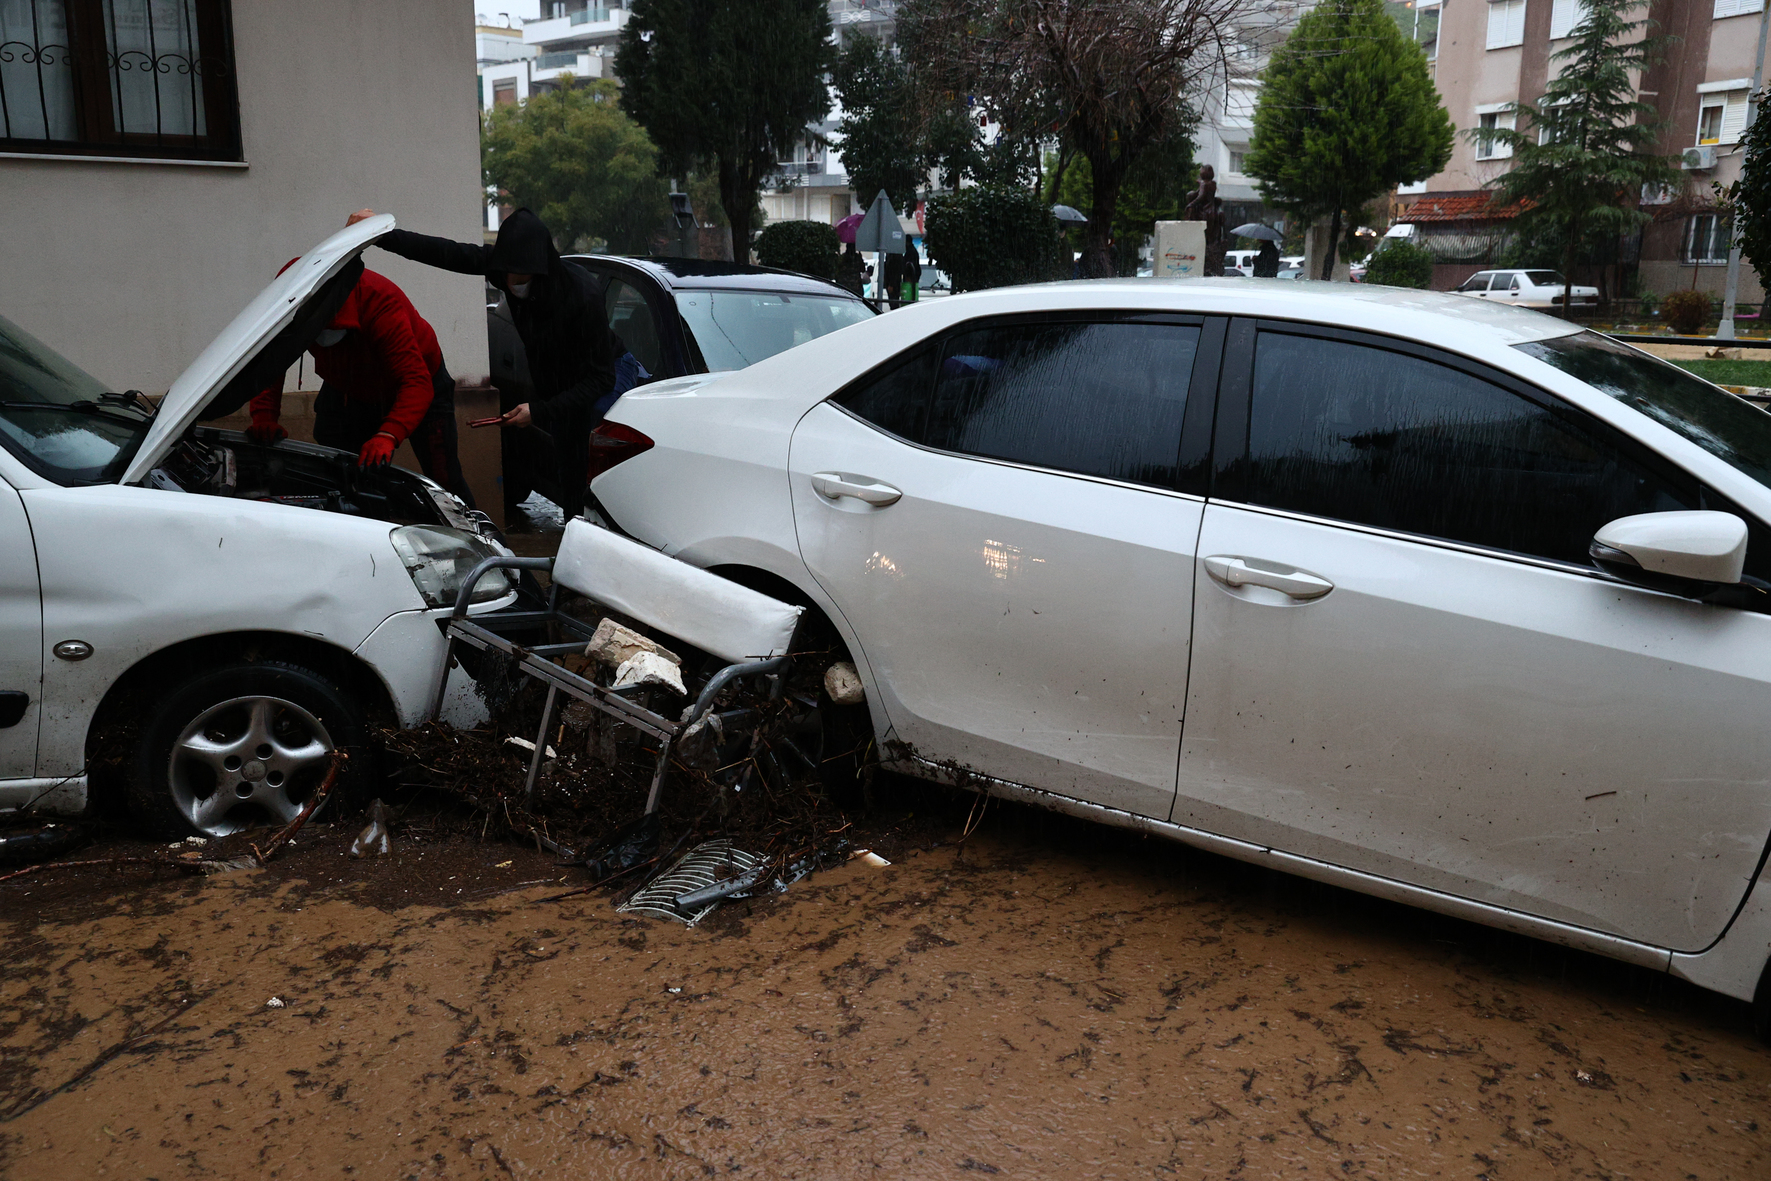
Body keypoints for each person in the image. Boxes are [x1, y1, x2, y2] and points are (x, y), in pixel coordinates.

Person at [347, 206, 615, 517]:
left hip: (600, 379)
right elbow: (445, 253)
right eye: (507, 272)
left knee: (587, 477)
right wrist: (381, 235)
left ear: (541, 268)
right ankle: (574, 529)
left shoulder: (582, 295)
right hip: (557, 387)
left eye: (521, 274)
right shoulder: (504, 269)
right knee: (565, 470)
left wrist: (541, 410)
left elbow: (601, 378)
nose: (512, 281)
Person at [247, 265, 475, 506]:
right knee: (341, 473)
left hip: (419, 383)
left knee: (444, 477)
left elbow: (416, 383)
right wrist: (264, 417)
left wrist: (388, 434)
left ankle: (482, 537)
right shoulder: (289, 304)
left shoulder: (381, 304)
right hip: (347, 386)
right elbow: (270, 363)